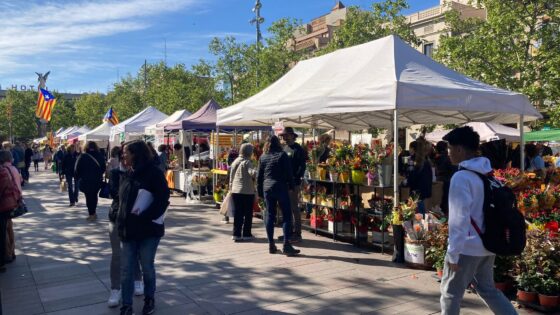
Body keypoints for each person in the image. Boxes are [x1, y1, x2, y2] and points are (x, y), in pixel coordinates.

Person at [440, 126, 517, 315]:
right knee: (488, 289)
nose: (448, 153)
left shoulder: (461, 177)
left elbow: (458, 219)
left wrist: (453, 253)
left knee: (450, 293)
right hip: (487, 244)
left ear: (459, 149)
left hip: (466, 247)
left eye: (449, 148)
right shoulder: (488, 175)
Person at [117, 140, 170, 315]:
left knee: (147, 267)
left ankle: (149, 299)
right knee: (126, 270)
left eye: (126, 152)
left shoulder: (154, 173)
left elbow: (162, 200)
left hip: (148, 231)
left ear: (136, 154)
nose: (123, 155)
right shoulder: (126, 173)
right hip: (128, 231)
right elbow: (121, 201)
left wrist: (145, 216)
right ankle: (126, 305)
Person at [106, 145, 143, 308]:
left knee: (133, 250)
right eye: (123, 155)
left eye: (127, 155)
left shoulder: (140, 173)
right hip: (117, 216)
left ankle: (138, 279)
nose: (124, 158)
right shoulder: (116, 173)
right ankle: (115, 288)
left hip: (135, 218)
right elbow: (114, 194)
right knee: (117, 255)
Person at [257, 136, 300, 256]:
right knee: (287, 216)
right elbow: (289, 173)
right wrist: (292, 187)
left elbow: (259, 177)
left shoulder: (263, 157)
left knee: (270, 215)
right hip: (280, 187)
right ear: (278, 144)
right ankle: (286, 244)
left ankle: (271, 244)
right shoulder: (282, 155)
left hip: (267, 188)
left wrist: (260, 192)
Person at [279, 127, 306, 243]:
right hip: (284, 182)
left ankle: (298, 233)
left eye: (286, 135)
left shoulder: (298, 149)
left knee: (294, 208)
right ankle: (288, 232)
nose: (284, 137)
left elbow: (302, 166)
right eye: (283, 136)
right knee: (286, 208)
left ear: (292, 135)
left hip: (293, 183)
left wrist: (296, 179)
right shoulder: (285, 148)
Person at [229, 143, 257, 241]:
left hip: (235, 190)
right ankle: (246, 234)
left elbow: (231, 176)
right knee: (248, 213)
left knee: (238, 214)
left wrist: (231, 187)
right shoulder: (247, 162)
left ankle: (236, 234)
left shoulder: (236, 161)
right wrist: (257, 172)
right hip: (247, 191)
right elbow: (252, 173)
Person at [0, 150, 22, 273]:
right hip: (14, 201)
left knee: (5, 230)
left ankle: (8, 253)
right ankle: (11, 251)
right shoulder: (13, 168)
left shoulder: (4, 170)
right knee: (9, 228)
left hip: (5, 203)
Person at [75, 141, 106, 221]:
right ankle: (94, 212)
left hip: (86, 181)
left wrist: (79, 176)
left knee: (88, 197)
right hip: (97, 180)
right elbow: (103, 168)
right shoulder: (100, 156)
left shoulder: (83, 156)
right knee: (94, 196)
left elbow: (77, 169)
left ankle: (91, 214)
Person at [405, 138, 432, 216]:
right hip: (423, 190)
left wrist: (406, 182)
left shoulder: (417, 160)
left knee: (419, 211)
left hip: (418, 190)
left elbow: (413, 176)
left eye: (410, 148)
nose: (409, 150)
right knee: (420, 209)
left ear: (414, 149)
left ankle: (421, 225)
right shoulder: (425, 159)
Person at [434, 141, 456, 215]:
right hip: (447, 181)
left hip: (439, 181)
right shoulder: (448, 158)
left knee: (440, 202)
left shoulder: (436, 159)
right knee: (446, 202)